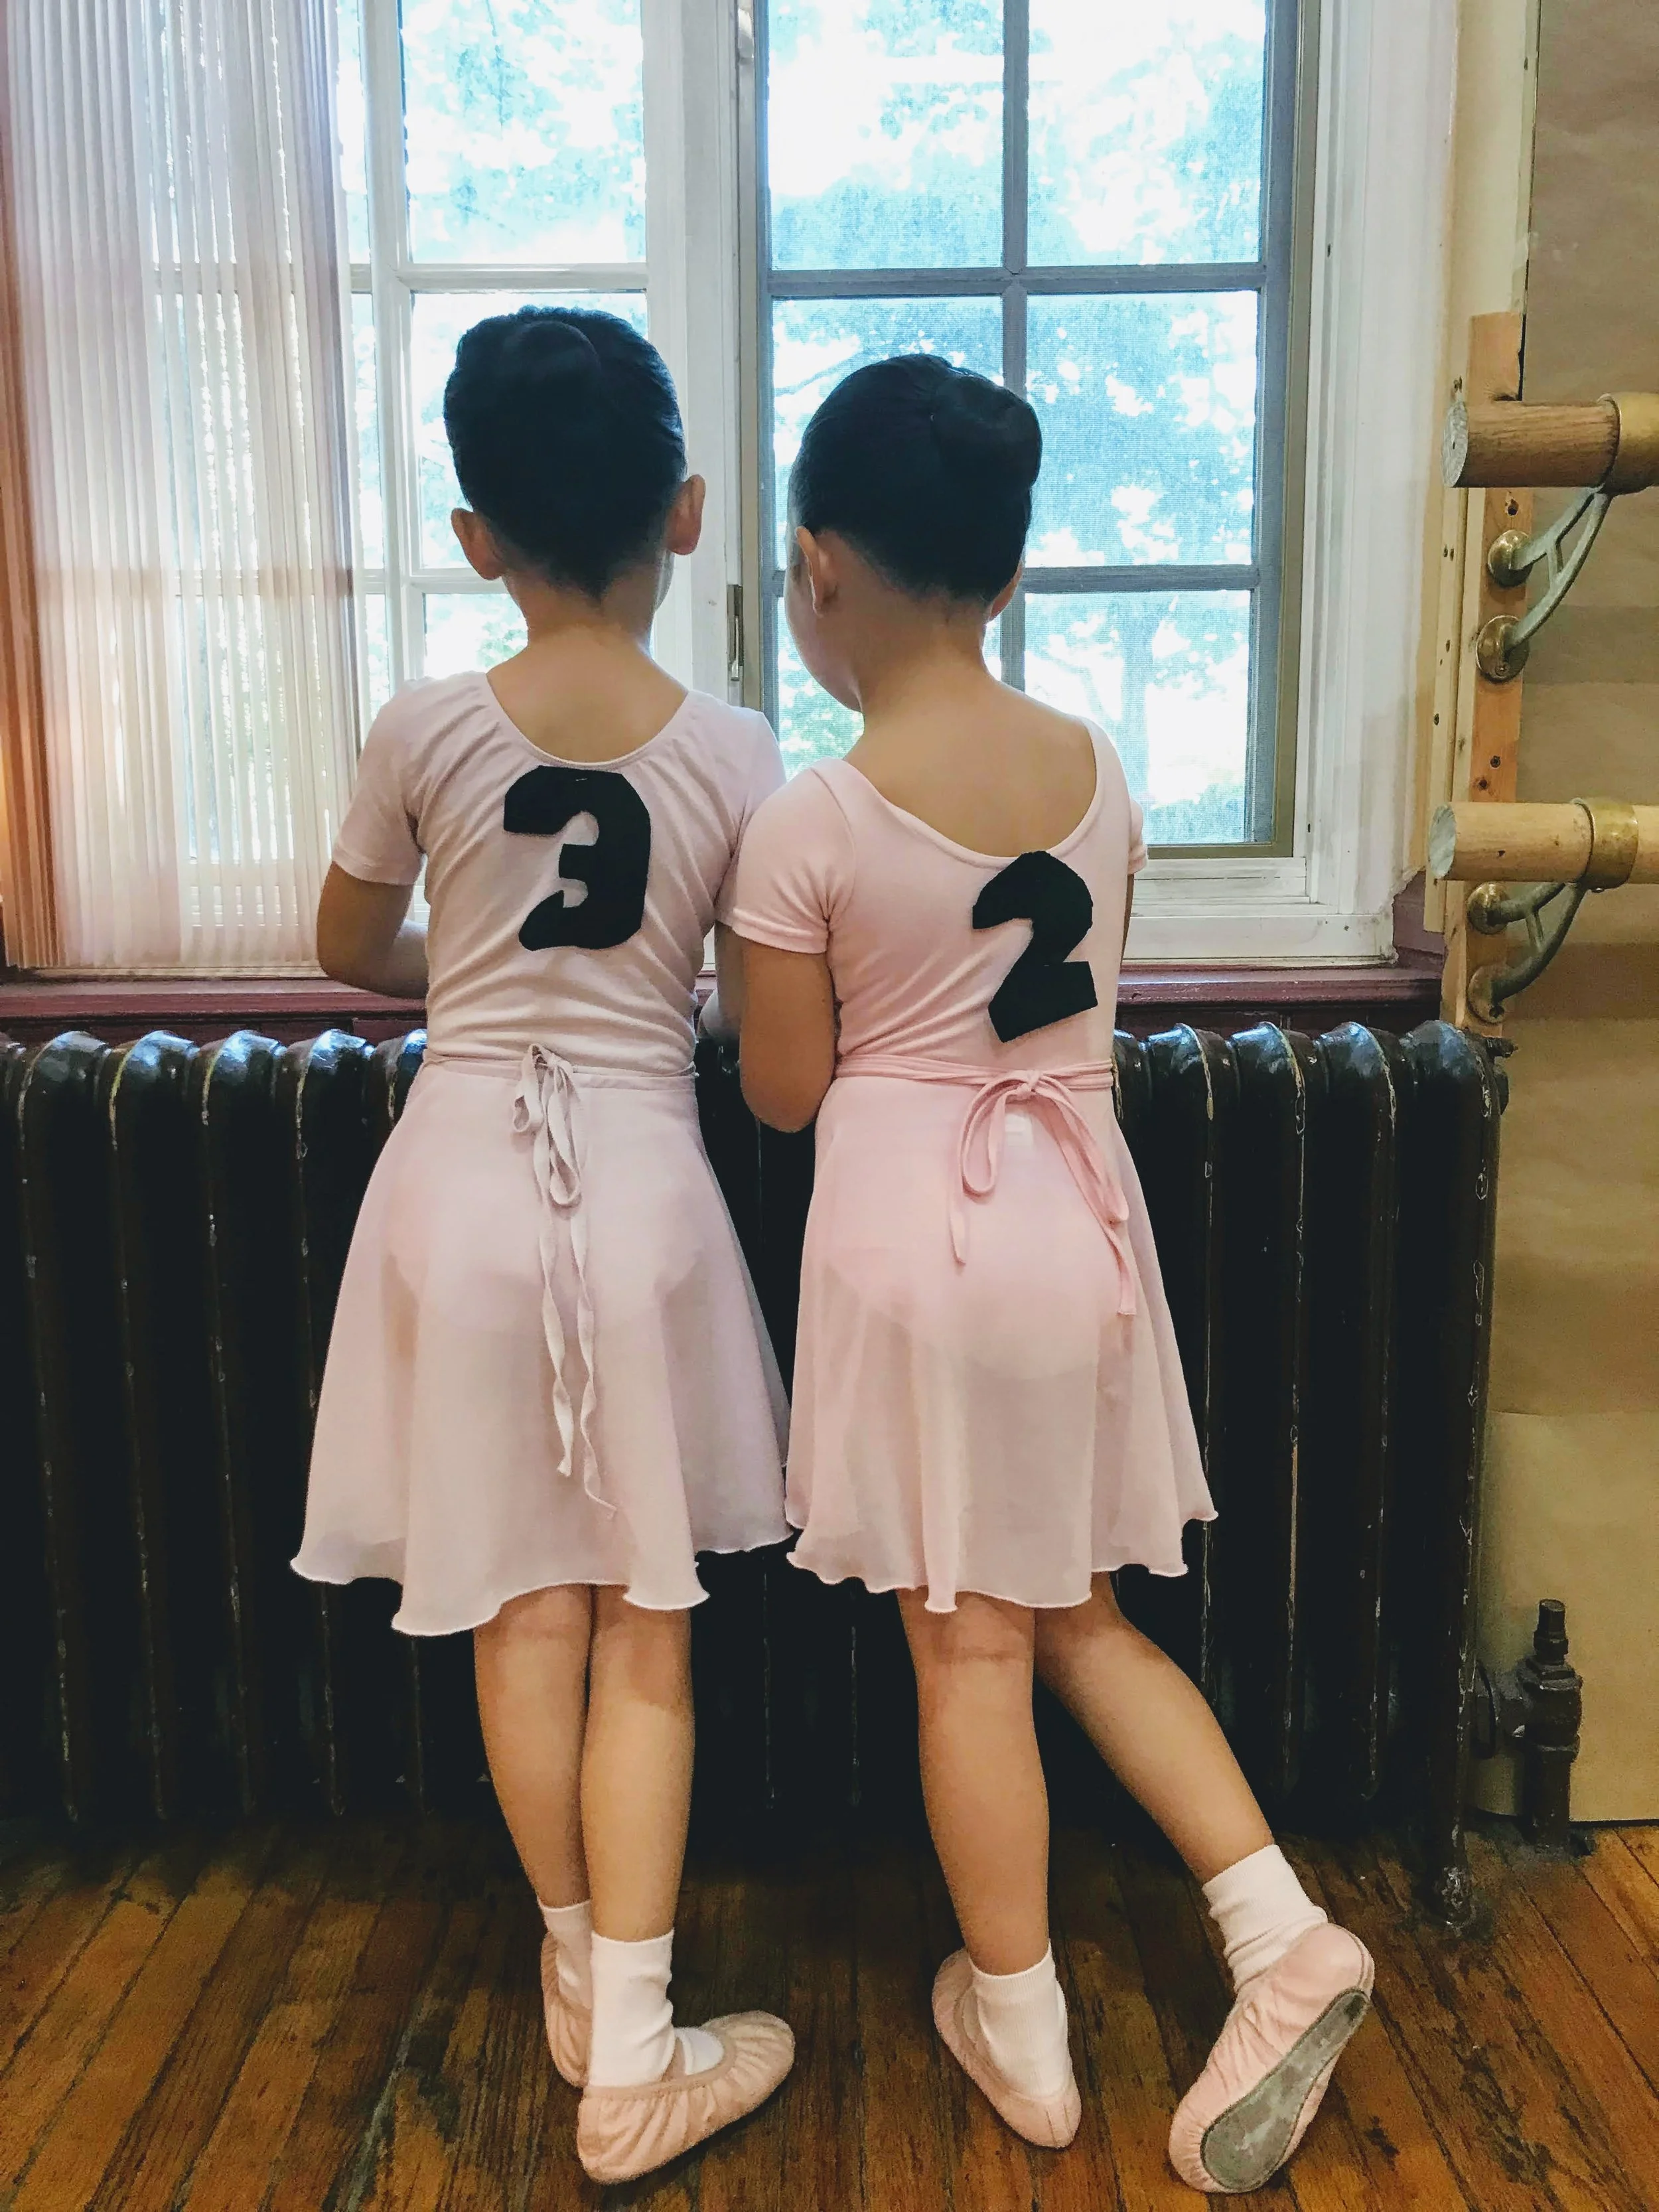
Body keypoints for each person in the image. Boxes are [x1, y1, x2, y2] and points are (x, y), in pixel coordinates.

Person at [729, 353, 1372, 2194]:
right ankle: (1273, 1931)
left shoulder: (813, 817)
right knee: (1078, 1610)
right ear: (1004, 574)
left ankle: (1019, 2029)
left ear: (816, 565)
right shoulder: (1099, 775)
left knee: (963, 1650)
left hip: (915, 1239)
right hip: (1078, 1227)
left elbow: (781, 1088)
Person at [293, 306, 794, 2187]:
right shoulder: (740, 747)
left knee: (520, 1606)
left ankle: (583, 1968)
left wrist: (475, 984)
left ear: (471, 531)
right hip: (646, 1184)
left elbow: (348, 946)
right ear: (681, 513)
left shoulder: (421, 725)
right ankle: (641, 2037)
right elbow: (753, 1012)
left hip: (457, 1183)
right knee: (647, 1628)